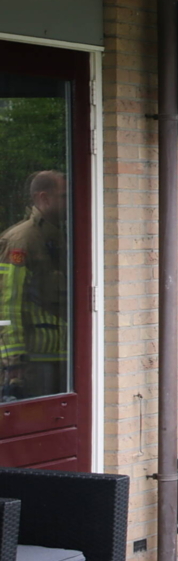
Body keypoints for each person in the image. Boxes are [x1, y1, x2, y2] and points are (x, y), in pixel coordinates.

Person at [0, 171, 69, 402]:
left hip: (63, 358)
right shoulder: (22, 240)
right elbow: (7, 306)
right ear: (44, 198)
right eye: (63, 196)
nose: (70, 202)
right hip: (34, 363)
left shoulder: (67, 234)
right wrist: (14, 363)